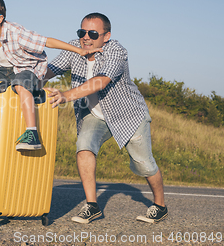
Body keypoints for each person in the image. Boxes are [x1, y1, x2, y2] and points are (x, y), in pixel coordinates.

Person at [44, 12, 167, 224]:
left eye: (93, 33)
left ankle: (160, 205)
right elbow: (49, 69)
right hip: (95, 115)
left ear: (106, 36)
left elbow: (100, 82)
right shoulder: (75, 47)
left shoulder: (117, 51)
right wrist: (29, 81)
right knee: (83, 147)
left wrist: (66, 95)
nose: (86, 37)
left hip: (127, 115)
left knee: (144, 164)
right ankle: (92, 206)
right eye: (82, 32)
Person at [0, 0, 101, 151]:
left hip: (27, 68)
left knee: (21, 83)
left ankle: (32, 134)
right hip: (1, 71)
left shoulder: (17, 33)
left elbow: (47, 41)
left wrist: (79, 51)